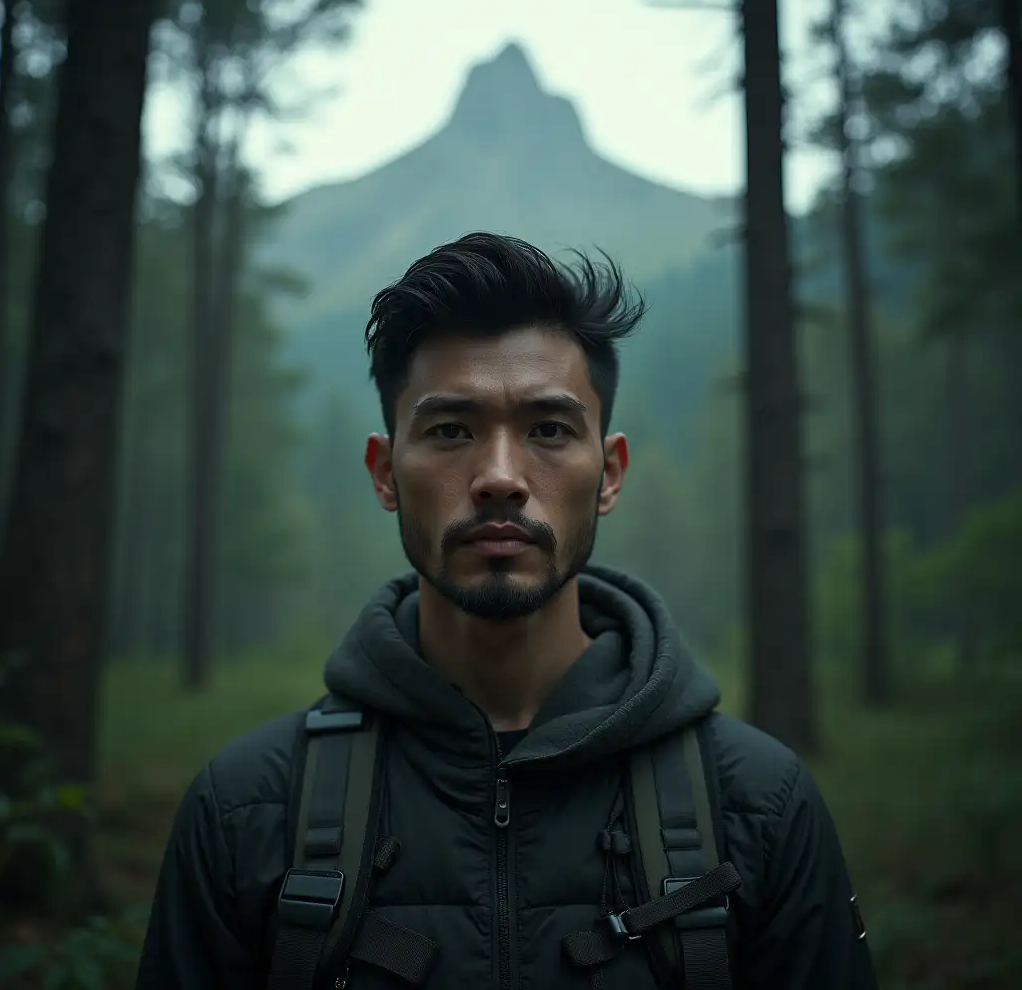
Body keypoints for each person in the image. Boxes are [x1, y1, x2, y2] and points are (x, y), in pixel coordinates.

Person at [135, 233, 878, 989]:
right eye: (450, 430)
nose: (498, 477)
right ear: (385, 472)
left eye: (548, 430)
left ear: (610, 475)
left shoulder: (759, 803)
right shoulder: (245, 808)